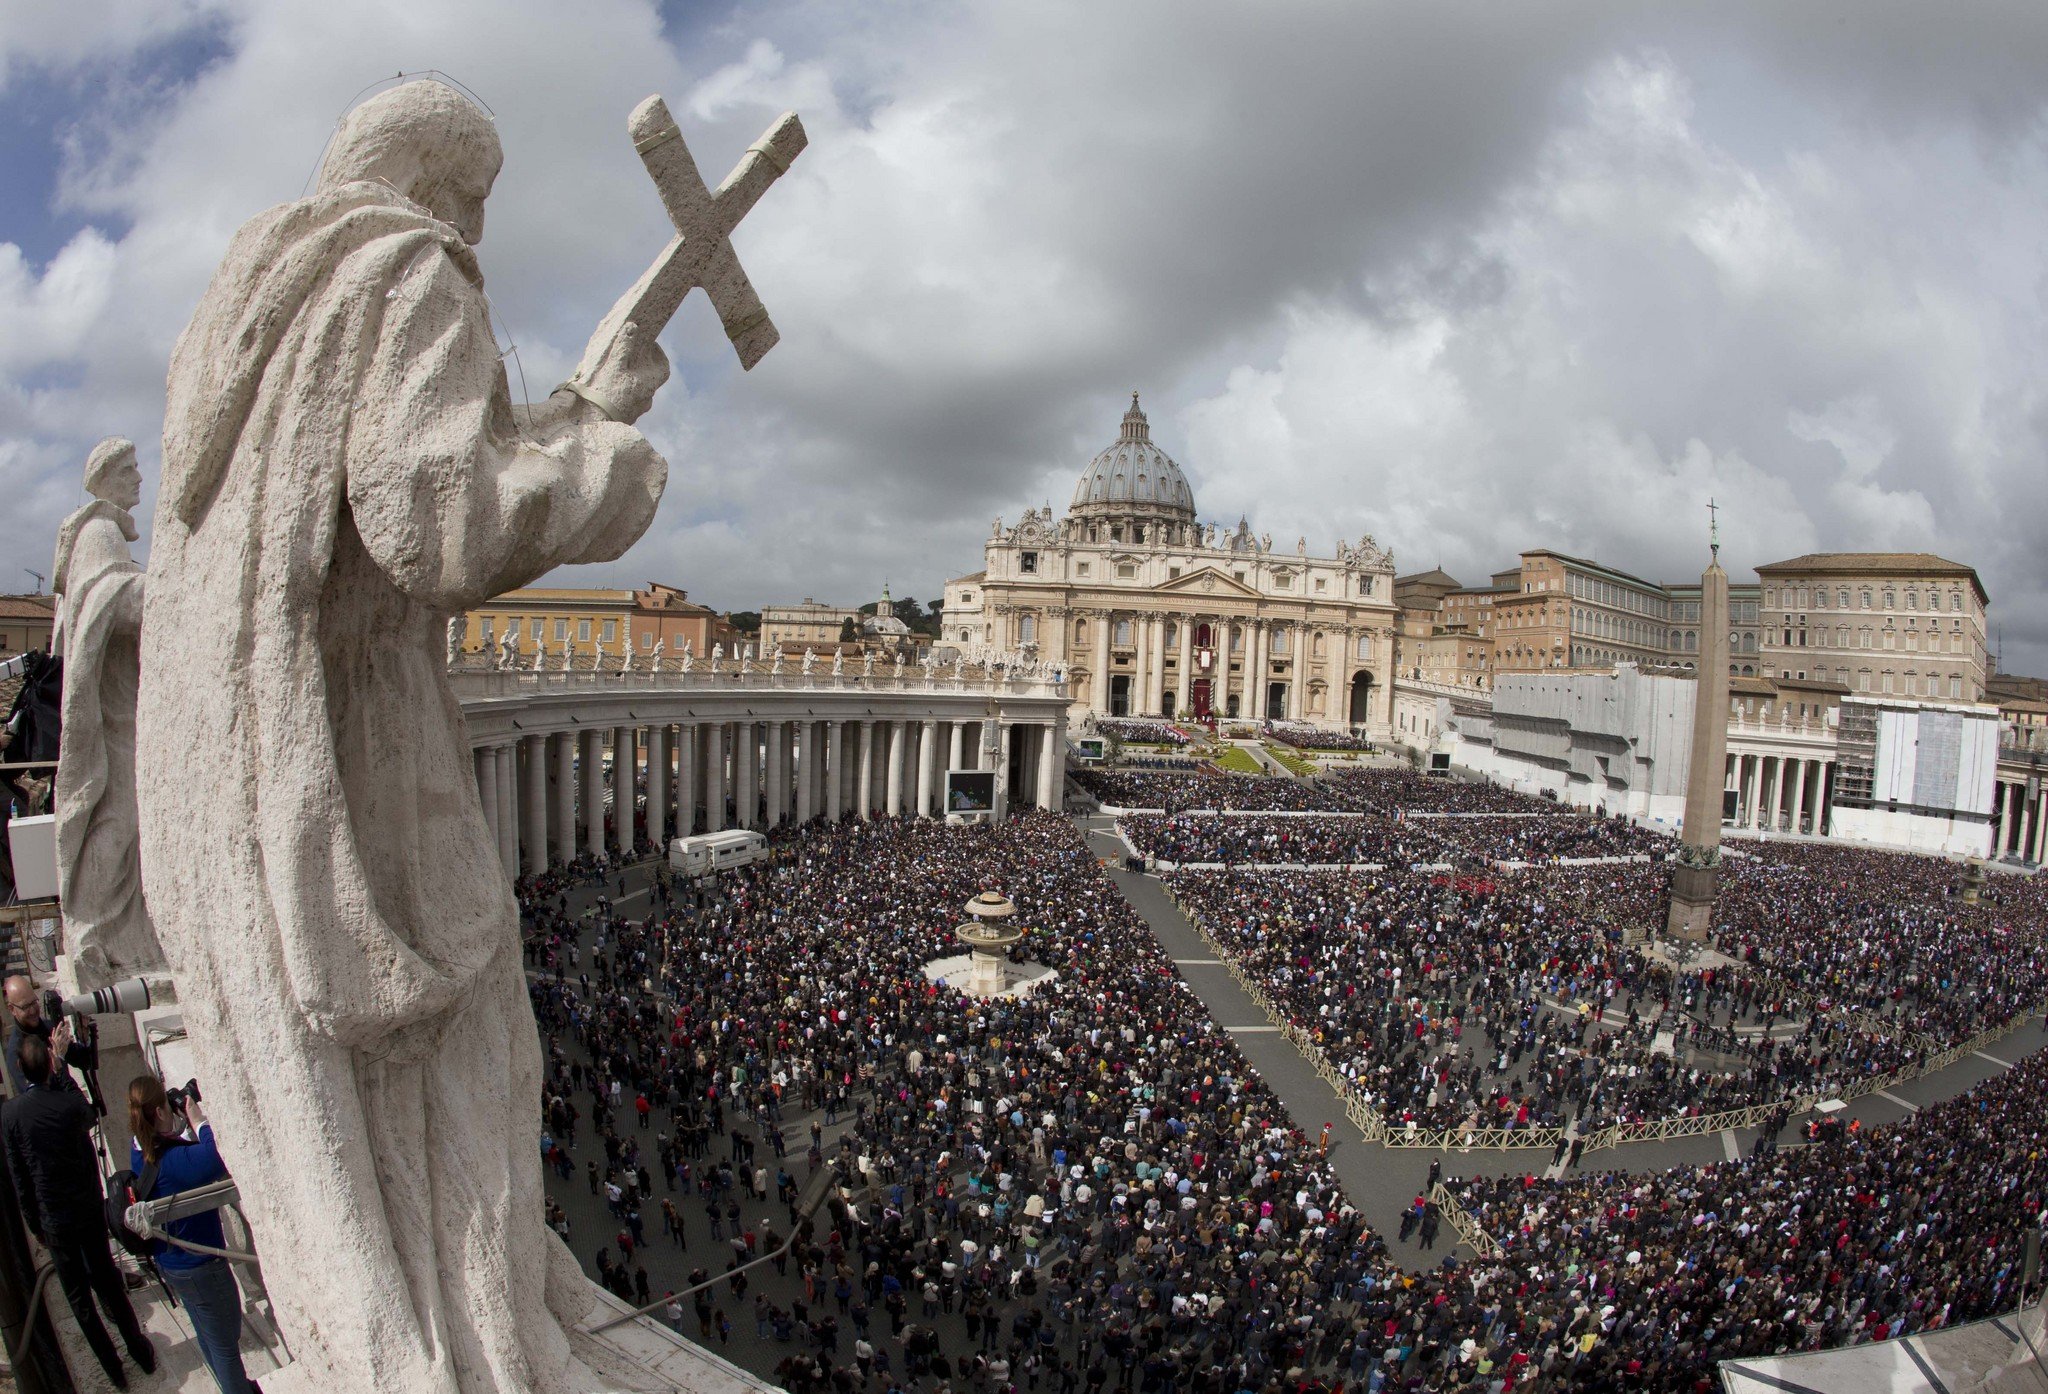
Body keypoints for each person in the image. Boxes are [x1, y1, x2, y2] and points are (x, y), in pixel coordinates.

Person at [3, 1037, 153, 1387]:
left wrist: (33, 1223)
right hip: (86, 1211)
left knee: (80, 1302)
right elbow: (89, 1113)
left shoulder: (9, 1115)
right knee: (109, 1284)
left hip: (54, 1220)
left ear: (21, 1071)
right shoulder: (67, 1104)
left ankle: (115, 1372)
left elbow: (18, 1175)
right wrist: (64, 1071)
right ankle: (140, 1352)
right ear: (48, 1064)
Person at [127, 1075, 258, 1393]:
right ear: (159, 1113)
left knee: (208, 1336)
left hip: (174, 1266)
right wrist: (198, 1120)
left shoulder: (138, 1149)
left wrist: (183, 1128)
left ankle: (237, 1386)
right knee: (226, 1347)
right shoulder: (174, 1161)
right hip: (204, 1270)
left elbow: (179, 1159)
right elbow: (215, 1157)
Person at [3, 975, 93, 1097]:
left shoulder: (49, 1028)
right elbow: (39, 1098)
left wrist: (83, 1038)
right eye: (26, 1007)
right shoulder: (15, 1052)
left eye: (34, 1002)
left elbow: (85, 1062)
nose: (33, 1011)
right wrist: (58, 1058)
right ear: (12, 1009)